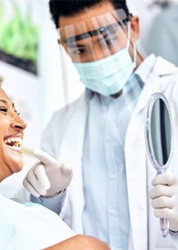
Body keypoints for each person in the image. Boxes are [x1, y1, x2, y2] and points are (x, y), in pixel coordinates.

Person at [23, 1, 178, 249]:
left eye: (106, 40)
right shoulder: (59, 126)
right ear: (65, 49)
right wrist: (50, 198)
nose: (96, 56)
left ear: (133, 28)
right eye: (80, 49)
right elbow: (46, 234)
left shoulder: (173, 91)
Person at [0, 69, 110, 250]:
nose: (22, 124)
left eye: (17, 112)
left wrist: (51, 197)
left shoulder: (20, 208)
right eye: (2, 109)